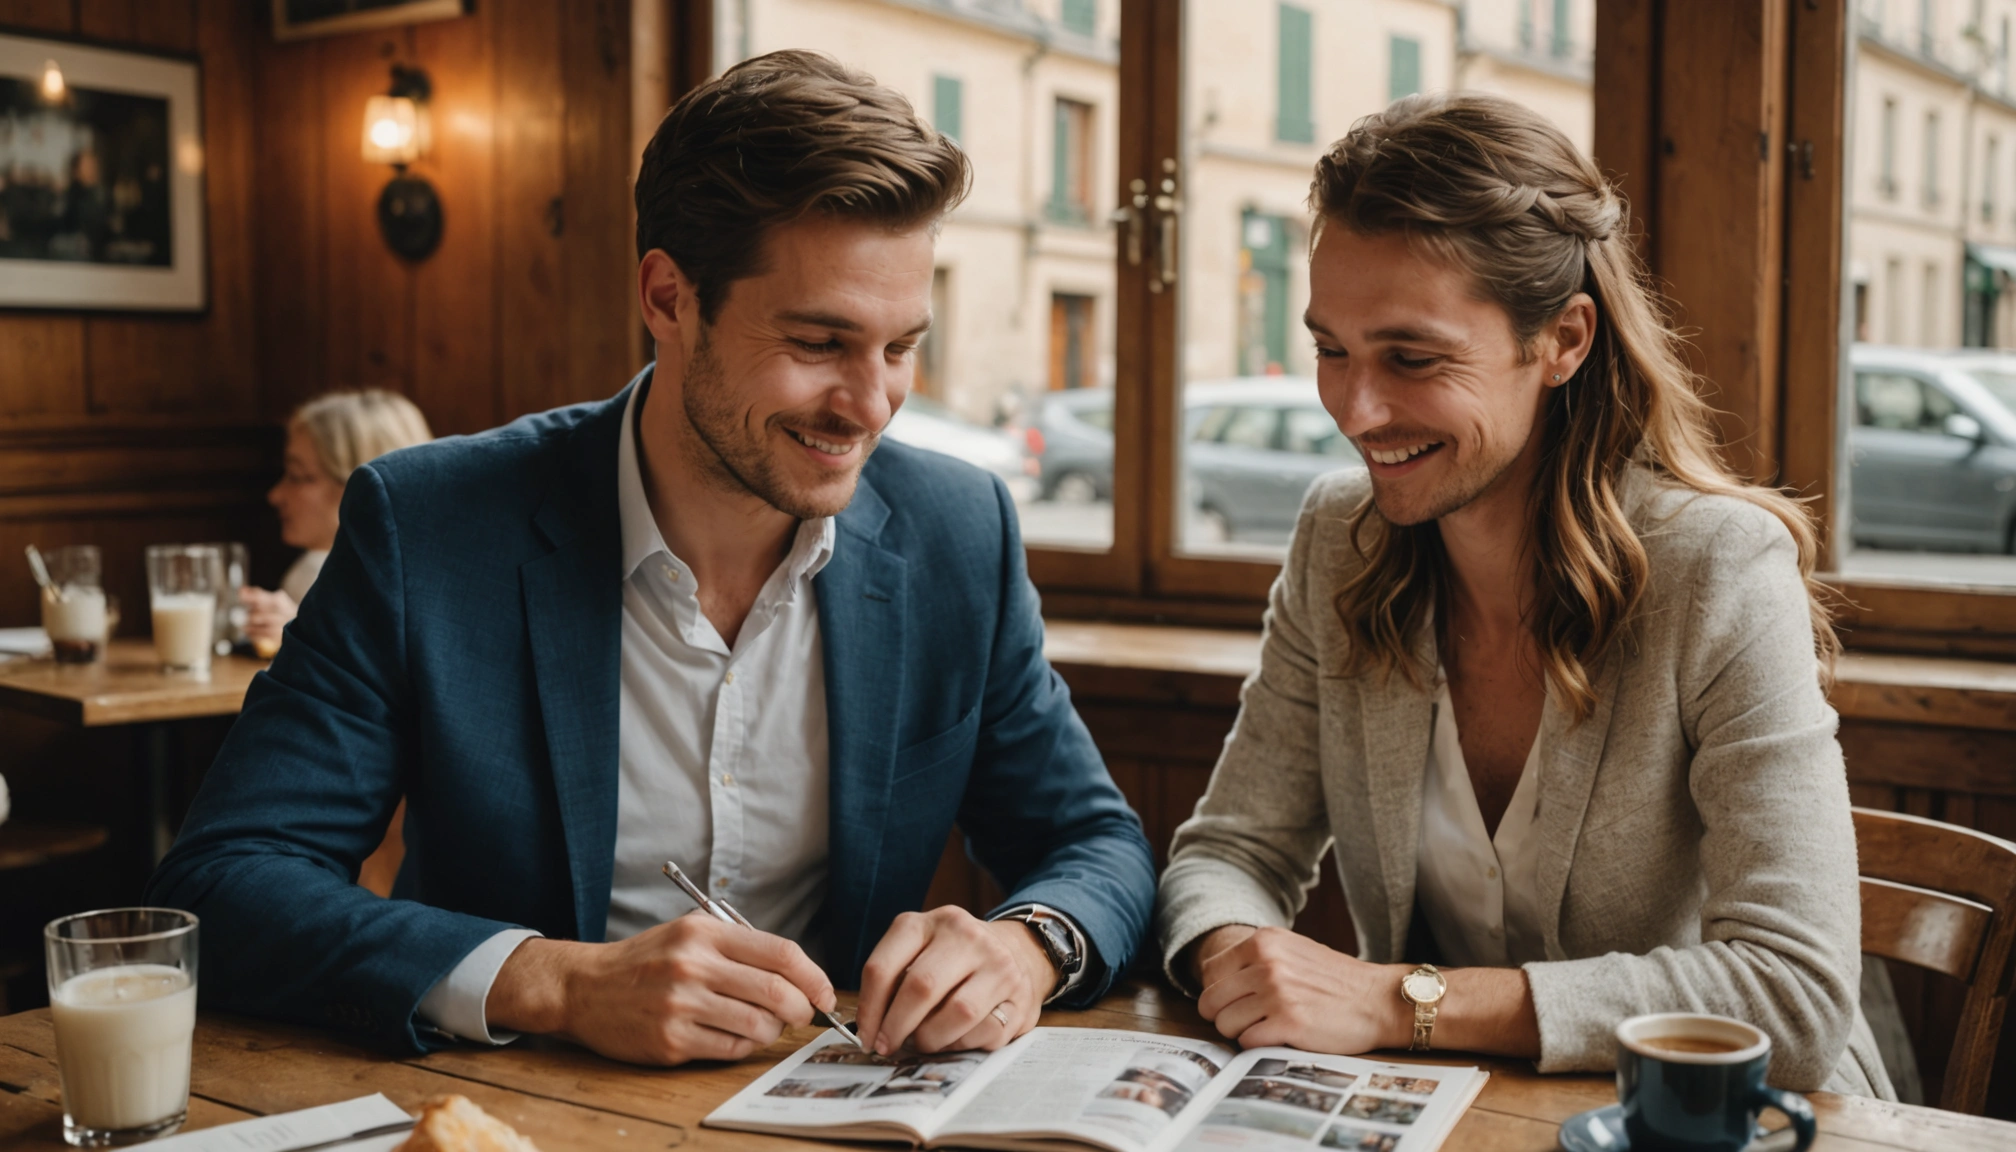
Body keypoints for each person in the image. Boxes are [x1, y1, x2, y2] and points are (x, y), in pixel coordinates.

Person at [147, 50, 1154, 1067]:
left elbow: (1096, 845)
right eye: (819, 344)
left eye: (900, 348)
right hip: (518, 1107)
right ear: (669, 298)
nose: (871, 406)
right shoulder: (428, 526)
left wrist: (1028, 946)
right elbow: (225, 880)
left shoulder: (959, 531)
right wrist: (559, 982)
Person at [1153, 92, 1893, 1098]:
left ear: (1564, 341)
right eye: (1331, 349)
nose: (1356, 410)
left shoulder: (1720, 567)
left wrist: (1400, 1003)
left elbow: (1794, 994)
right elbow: (1230, 851)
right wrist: (1242, 958)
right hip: (1457, 1112)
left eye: (1413, 358)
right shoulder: (1340, 539)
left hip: (1727, 1117)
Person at [244, 389, 434, 652]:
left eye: (298, 476)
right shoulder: (309, 571)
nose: (275, 495)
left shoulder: (321, 575)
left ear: (361, 490)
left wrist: (307, 634)